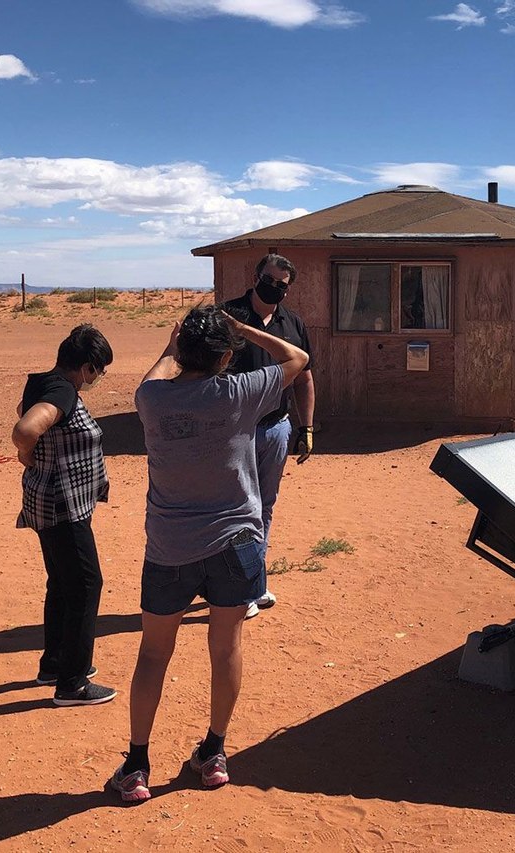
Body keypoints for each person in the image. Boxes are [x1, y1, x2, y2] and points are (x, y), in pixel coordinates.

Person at [107, 305, 309, 802]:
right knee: (227, 647)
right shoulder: (239, 392)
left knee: (154, 654)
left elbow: (156, 375)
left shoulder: (151, 399)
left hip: (170, 547)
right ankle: (214, 752)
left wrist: (168, 349)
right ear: (225, 357)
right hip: (237, 543)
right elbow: (298, 358)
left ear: (183, 353)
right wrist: (243, 330)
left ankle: (136, 766)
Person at [12, 323, 117, 707]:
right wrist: (27, 454)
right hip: (62, 504)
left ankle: (55, 664)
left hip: (48, 501)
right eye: (99, 371)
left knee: (62, 582)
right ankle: (72, 683)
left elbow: (24, 410)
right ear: (86, 367)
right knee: (87, 584)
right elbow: (26, 427)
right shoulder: (61, 390)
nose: (98, 378)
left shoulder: (43, 382)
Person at [221, 253, 315, 618]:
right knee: (235, 507)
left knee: (265, 506)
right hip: (233, 431)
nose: (274, 288)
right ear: (255, 275)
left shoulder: (293, 324)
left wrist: (305, 427)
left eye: (282, 285)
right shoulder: (228, 317)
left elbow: (305, 377)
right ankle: (232, 589)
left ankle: (253, 584)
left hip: (276, 428)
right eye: (269, 280)